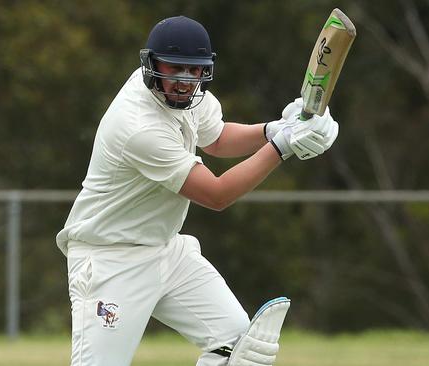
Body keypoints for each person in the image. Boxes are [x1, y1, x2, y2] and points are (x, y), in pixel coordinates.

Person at [56, 15, 338, 366]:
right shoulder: (138, 126)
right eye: (174, 69)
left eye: (194, 71)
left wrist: (273, 128)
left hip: (166, 250)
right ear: (151, 64)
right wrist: (281, 147)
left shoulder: (190, 94)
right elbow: (216, 195)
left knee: (240, 347)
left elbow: (217, 138)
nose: (184, 81)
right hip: (110, 259)